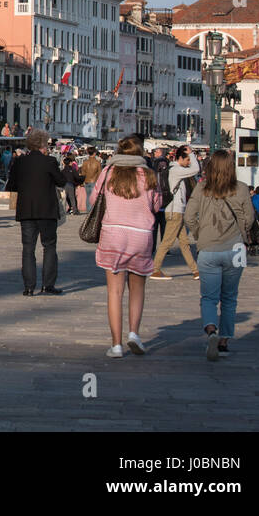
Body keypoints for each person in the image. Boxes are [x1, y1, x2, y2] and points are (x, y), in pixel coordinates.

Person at [91, 135, 163, 357]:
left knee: (115, 291)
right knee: (137, 288)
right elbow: (158, 204)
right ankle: (134, 333)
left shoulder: (108, 173)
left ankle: (116, 345)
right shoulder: (149, 175)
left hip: (113, 234)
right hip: (141, 236)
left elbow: (93, 201)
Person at [184, 149, 256, 360]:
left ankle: (211, 331)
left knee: (208, 297)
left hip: (208, 248)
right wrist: (240, 233)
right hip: (235, 249)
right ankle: (224, 341)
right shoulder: (241, 189)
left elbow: (189, 216)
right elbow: (249, 218)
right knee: (229, 298)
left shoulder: (201, 188)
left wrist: (199, 233)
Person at [6, 128, 63, 296]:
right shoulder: (50, 162)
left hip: (26, 210)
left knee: (28, 248)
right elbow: (61, 181)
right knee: (49, 247)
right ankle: (48, 285)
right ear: (43, 145)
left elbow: (12, 186)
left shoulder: (20, 162)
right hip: (47, 210)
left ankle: (29, 287)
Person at [151, 145, 200, 280]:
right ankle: (155, 269)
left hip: (177, 211)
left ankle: (195, 270)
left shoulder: (173, 169)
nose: (189, 162)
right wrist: (192, 154)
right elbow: (196, 169)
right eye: (187, 159)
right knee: (167, 241)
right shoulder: (176, 170)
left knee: (184, 243)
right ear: (180, 158)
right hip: (174, 211)